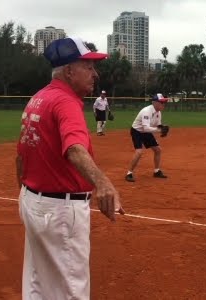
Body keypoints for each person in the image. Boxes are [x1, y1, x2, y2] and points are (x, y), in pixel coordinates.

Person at [15, 37, 125, 299]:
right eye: (88, 67)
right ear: (68, 71)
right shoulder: (66, 102)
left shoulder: (38, 98)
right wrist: (104, 183)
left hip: (33, 201)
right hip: (60, 210)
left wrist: (26, 195)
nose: (95, 74)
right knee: (71, 289)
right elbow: (75, 149)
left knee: (36, 283)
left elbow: (21, 154)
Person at [125, 93, 169, 182]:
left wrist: (163, 127)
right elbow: (146, 128)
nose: (163, 104)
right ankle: (129, 173)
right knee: (139, 152)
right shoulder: (146, 111)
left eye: (163, 102)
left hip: (146, 132)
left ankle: (156, 171)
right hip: (137, 131)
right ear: (154, 103)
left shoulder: (158, 113)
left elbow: (157, 125)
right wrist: (160, 130)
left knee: (158, 150)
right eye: (161, 102)